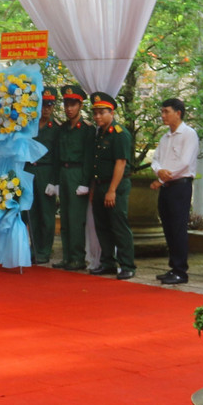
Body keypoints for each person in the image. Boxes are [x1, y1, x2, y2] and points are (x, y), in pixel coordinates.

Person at [150, 96, 198, 285]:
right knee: (168, 227)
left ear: (178, 113)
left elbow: (185, 163)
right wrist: (158, 171)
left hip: (180, 186)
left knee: (178, 228)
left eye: (166, 112)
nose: (163, 116)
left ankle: (181, 270)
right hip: (167, 186)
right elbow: (156, 159)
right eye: (162, 112)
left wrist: (161, 178)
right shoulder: (165, 137)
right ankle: (173, 267)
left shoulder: (189, 134)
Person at [88, 92, 134, 280]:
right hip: (99, 186)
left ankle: (127, 265)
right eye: (95, 113)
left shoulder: (119, 134)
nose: (98, 116)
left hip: (115, 187)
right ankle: (107, 262)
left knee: (118, 226)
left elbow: (120, 163)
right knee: (102, 226)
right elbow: (96, 163)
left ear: (111, 113)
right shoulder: (100, 134)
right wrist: (93, 189)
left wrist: (112, 190)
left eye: (102, 112)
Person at [53, 86, 93, 270]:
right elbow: (57, 155)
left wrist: (85, 183)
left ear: (80, 105)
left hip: (77, 174)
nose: (69, 109)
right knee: (65, 218)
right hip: (64, 172)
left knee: (76, 219)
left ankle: (78, 257)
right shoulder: (62, 129)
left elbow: (88, 158)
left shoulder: (86, 129)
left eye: (73, 105)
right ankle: (67, 256)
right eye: (66, 104)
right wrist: (56, 181)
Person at [28, 87, 60, 265]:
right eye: (43, 105)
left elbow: (58, 157)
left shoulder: (56, 129)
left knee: (46, 214)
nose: (46, 109)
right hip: (30, 171)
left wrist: (54, 182)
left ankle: (45, 250)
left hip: (46, 172)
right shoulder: (29, 125)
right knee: (31, 213)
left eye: (49, 105)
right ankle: (34, 247)